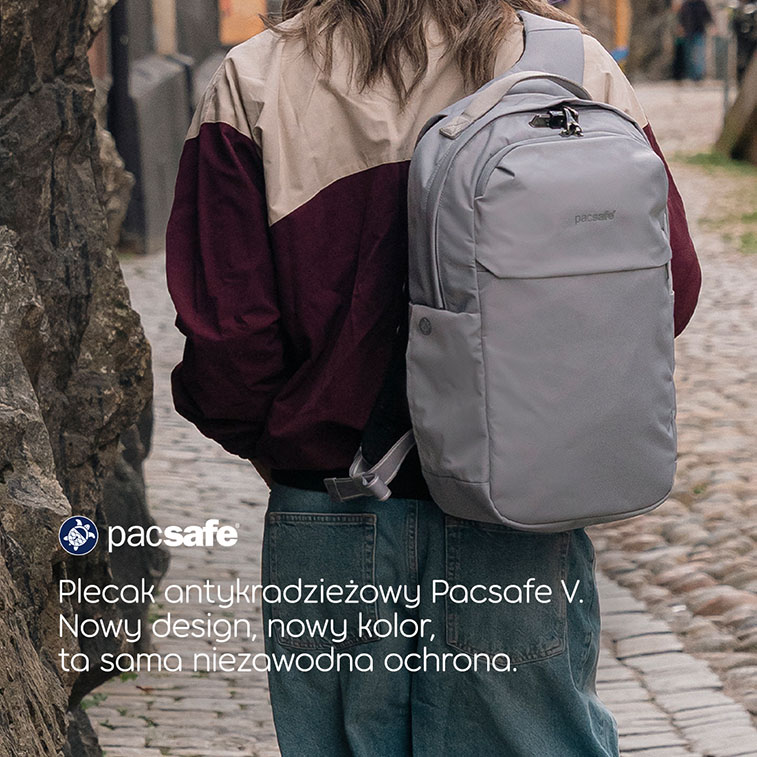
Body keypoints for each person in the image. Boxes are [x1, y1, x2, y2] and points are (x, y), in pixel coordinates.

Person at [166, 1, 701, 755]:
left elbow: (227, 335)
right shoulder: (572, 67)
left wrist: (284, 447)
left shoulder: (256, 78)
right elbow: (666, 287)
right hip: (521, 502)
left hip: (333, 501)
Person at [678, 0, 714, 81]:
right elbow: (681, 17)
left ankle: (698, 75)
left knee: (699, 54)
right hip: (688, 32)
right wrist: (681, 28)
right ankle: (691, 75)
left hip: (699, 32)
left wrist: (712, 26)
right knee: (689, 55)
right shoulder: (686, 4)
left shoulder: (701, 3)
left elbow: (707, 15)